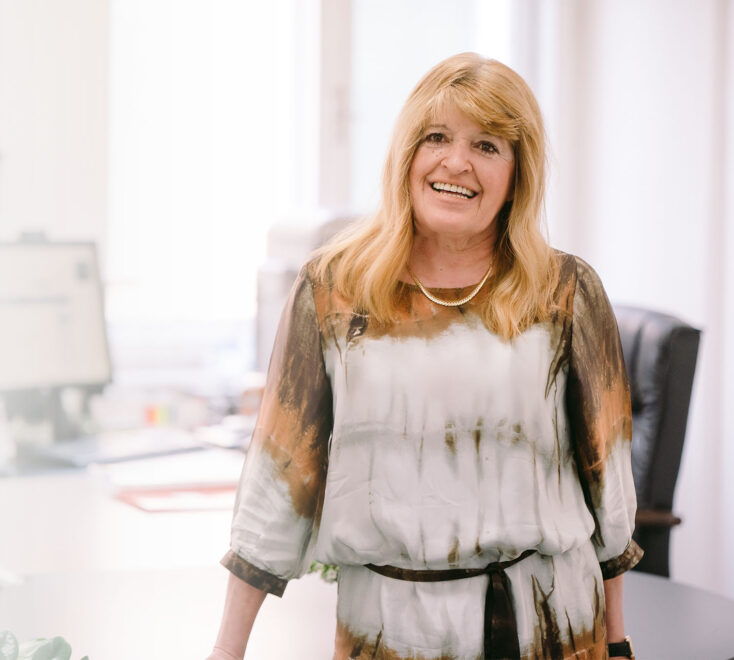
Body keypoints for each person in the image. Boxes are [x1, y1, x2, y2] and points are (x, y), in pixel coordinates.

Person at [206, 52, 641, 660]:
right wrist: (226, 652)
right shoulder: (333, 290)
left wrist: (617, 646)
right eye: (437, 137)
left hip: (548, 625)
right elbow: (275, 488)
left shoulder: (565, 292)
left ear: (518, 172)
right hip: (386, 631)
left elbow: (610, 497)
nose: (456, 162)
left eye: (487, 145)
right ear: (406, 154)